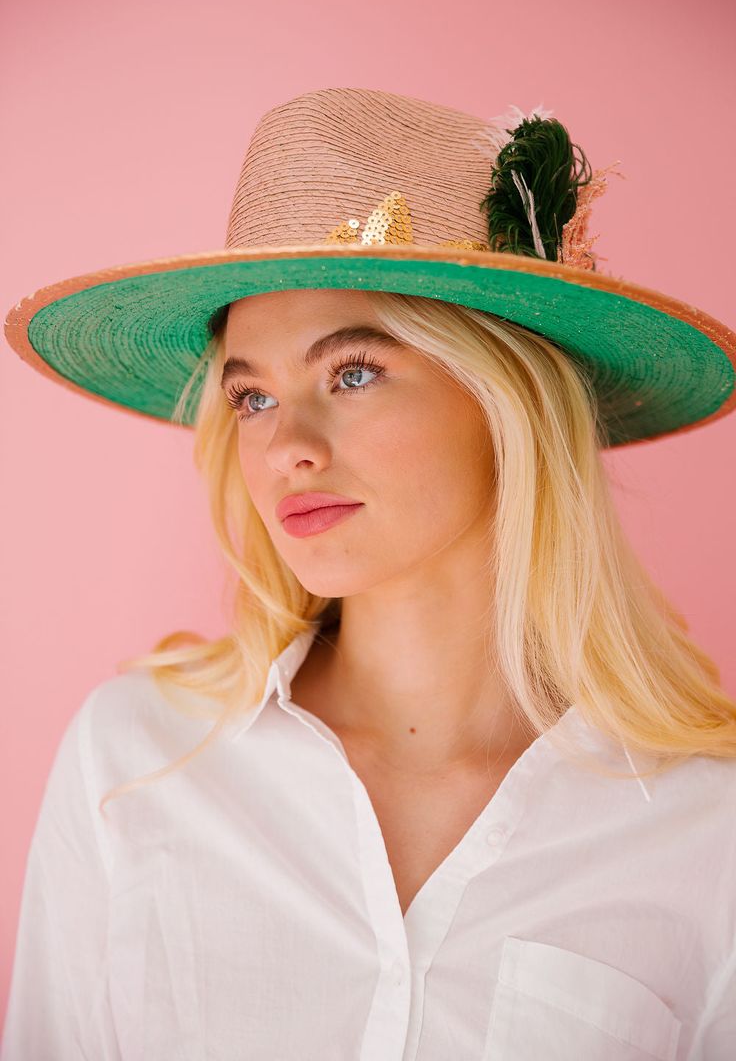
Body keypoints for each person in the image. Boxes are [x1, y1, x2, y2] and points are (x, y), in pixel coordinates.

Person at [3, 86, 736, 1060]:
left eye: (350, 373)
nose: (285, 449)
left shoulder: (704, 827)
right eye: (251, 397)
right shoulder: (134, 760)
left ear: (505, 395)